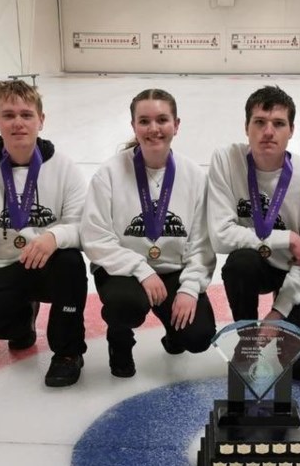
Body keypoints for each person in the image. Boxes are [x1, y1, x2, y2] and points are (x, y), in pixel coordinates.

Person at [0, 80, 88, 387]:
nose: (18, 123)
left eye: (26, 114)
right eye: (8, 115)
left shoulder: (64, 167)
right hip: (3, 266)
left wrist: (54, 237)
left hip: (48, 265)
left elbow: (82, 226)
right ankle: (21, 323)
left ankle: (67, 352)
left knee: (72, 263)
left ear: (41, 120)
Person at [81, 89, 216, 377]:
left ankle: (174, 332)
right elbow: (95, 238)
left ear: (176, 125)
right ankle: (120, 340)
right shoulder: (109, 174)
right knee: (127, 305)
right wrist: (141, 270)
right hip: (124, 272)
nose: (153, 129)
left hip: (173, 270)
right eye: (144, 121)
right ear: (133, 126)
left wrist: (190, 289)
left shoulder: (194, 176)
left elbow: (202, 244)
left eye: (162, 120)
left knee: (199, 336)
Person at [207, 86, 300, 380]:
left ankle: (275, 325)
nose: (268, 131)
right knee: (239, 265)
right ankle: (246, 338)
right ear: (246, 127)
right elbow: (220, 236)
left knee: (299, 370)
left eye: (278, 123)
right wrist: (285, 237)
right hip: (256, 265)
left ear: (291, 130)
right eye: (259, 122)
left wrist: (279, 312)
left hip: (294, 271)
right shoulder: (227, 161)